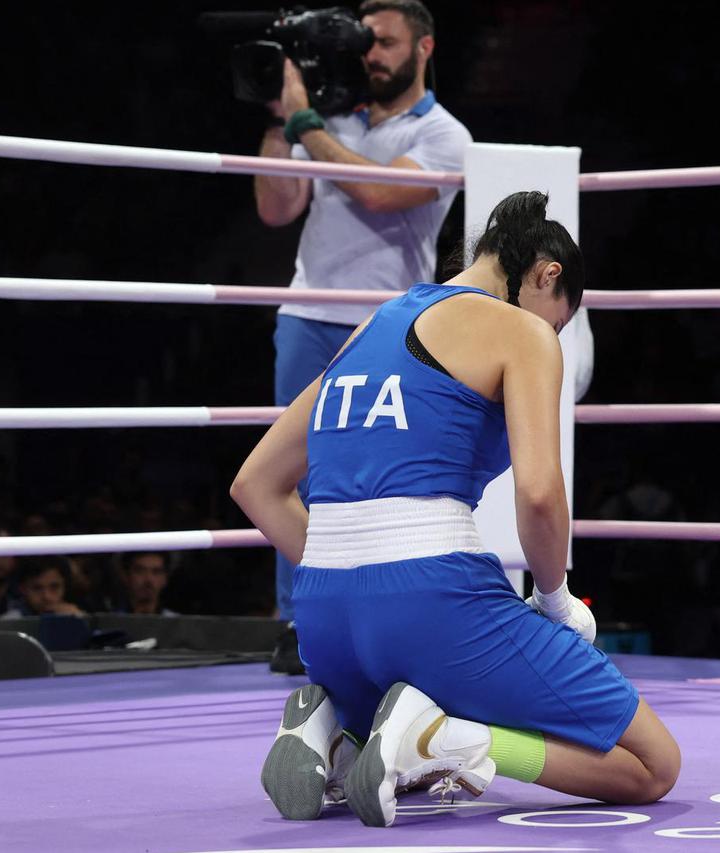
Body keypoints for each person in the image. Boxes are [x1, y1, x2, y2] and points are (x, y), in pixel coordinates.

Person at [231, 191, 680, 827]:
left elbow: (254, 484)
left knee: (397, 753)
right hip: (433, 602)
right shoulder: (521, 330)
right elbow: (540, 494)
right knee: (650, 766)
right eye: (558, 322)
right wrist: (556, 600)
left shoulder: (369, 328)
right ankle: (451, 739)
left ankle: (336, 732)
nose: (551, 334)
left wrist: (354, 571)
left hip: (324, 625)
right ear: (548, 275)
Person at [254, 0, 472, 623]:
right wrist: (278, 121)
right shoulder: (333, 124)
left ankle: (382, 616)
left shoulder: (443, 134)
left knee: (383, 477)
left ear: (423, 48)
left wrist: (305, 122)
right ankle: (299, 621)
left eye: (385, 42)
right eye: (364, 42)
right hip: (306, 312)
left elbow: (381, 192)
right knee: (292, 475)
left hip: (390, 329)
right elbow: (276, 208)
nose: (371, 55)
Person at [11, 557, 85, 617]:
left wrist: (80, 621)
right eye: (37, 588)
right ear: (22, 589)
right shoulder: (8, 622)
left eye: (54, 587)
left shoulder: (77, 616)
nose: (47, 596)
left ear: (65, 585)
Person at [117, 551, 178, 616]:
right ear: (125, 576)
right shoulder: (111, 622)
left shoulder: (178, 623)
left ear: (165, 579)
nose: (148, 580)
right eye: (140, 571)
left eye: (156, 572)